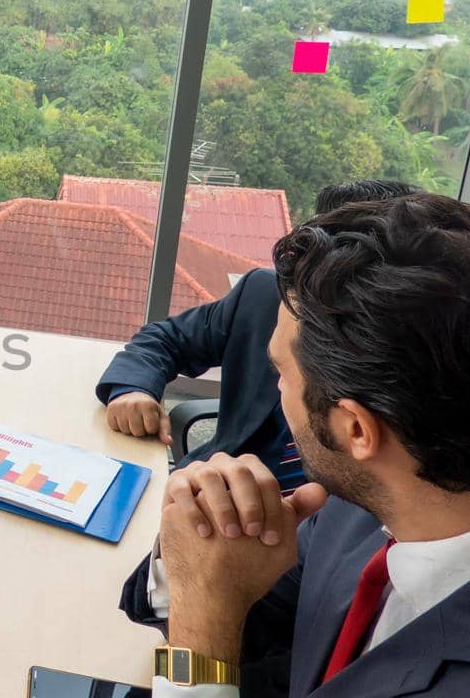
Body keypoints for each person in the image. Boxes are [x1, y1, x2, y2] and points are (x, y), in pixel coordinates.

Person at [108, 194, 470, 698]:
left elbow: (209, 631)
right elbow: (256, 612)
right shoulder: (388, 496)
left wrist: (196, 646)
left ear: (356, 430)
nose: (277, 392)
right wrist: (198, 559)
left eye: (280, 374)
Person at [96, 180, 420, 490]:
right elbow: (166, 338)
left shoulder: (405, 361)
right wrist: (132, 389)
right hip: (209, 488)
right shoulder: (265, 296)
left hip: (312, 532)